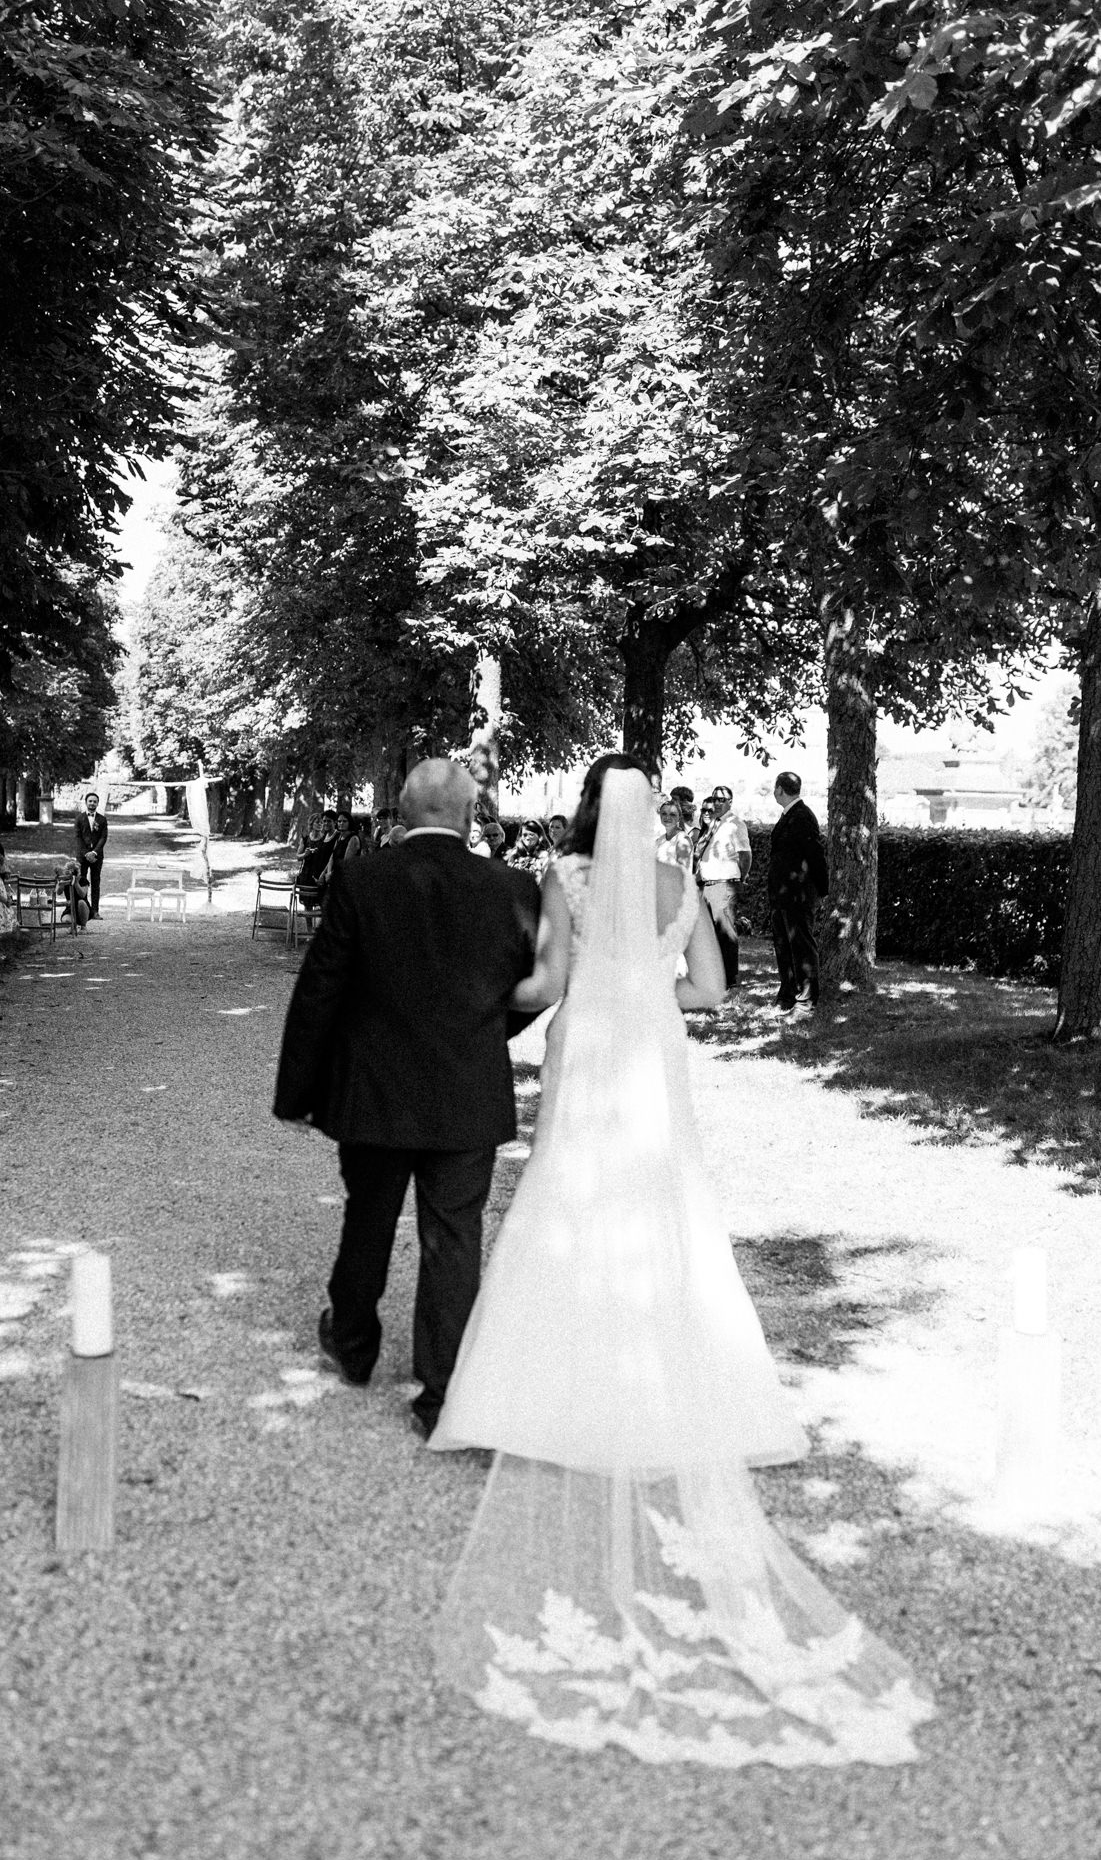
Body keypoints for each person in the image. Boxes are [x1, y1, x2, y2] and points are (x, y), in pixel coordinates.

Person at [430, 757, 934, 1768]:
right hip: (653, 1055)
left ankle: (538, 1394)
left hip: (587, 1053)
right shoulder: (680, 880)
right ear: (651, 806)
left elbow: (549, 977)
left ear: (584, 806)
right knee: (664, 1210)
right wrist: (652, 994)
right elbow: (708, 986)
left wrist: (476, 1008)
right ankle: (684, 1390)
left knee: (568, 1203)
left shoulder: (562, 878)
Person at [273, 758, 541, 1439]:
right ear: (466, 812)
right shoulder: (511, 887)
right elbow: (522, 992)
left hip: (376, 1089)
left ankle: (354, 1344)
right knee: (453, 1238)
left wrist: (298, 1092)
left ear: (402, 809)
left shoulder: (363, 879)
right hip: (465, 1094)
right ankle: (440, 1396)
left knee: (367, 1216)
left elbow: (321, 987)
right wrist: (483, 1034)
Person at [768, 770, 829, 1011]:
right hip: (782, 895)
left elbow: (816, 855)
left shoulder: (802, 816)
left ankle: (806, 1002)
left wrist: (822, 890)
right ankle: (787, 995)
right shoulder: (789, 814)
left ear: (779, 789)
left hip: (798, 896)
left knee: (802, 947)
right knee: (784, 947)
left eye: (775, 788)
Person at [696, 783, 751, 987]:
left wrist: (739, 879)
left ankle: (729, 978)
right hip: (707, 884)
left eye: (722, 799)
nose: (717, 803)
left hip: (724, 884)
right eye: (715, 798)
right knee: (711, 933)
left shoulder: (736, 824)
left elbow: (745, 855)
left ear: (730, 802)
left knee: (725, 932)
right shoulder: (715, 824)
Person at [74, 793, 108, 920]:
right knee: (82, 882)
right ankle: (83, 911)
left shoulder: (102, 819)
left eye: (94, 801)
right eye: (90, 801)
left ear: (97, 803)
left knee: (95, 882)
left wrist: (94, 853)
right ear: (86, 803)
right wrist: (85, 853)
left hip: (96, 856)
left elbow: (103, 837)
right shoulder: (79, 818)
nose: (92, 803)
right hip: (82, 856)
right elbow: (78, 838)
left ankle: (95, 911)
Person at [655, 794, 694, 872]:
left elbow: (683, 872)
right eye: (664, 813)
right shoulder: (659, 840)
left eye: (672, 814)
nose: (667, 817)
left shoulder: (683, 840)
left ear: (679, 817)